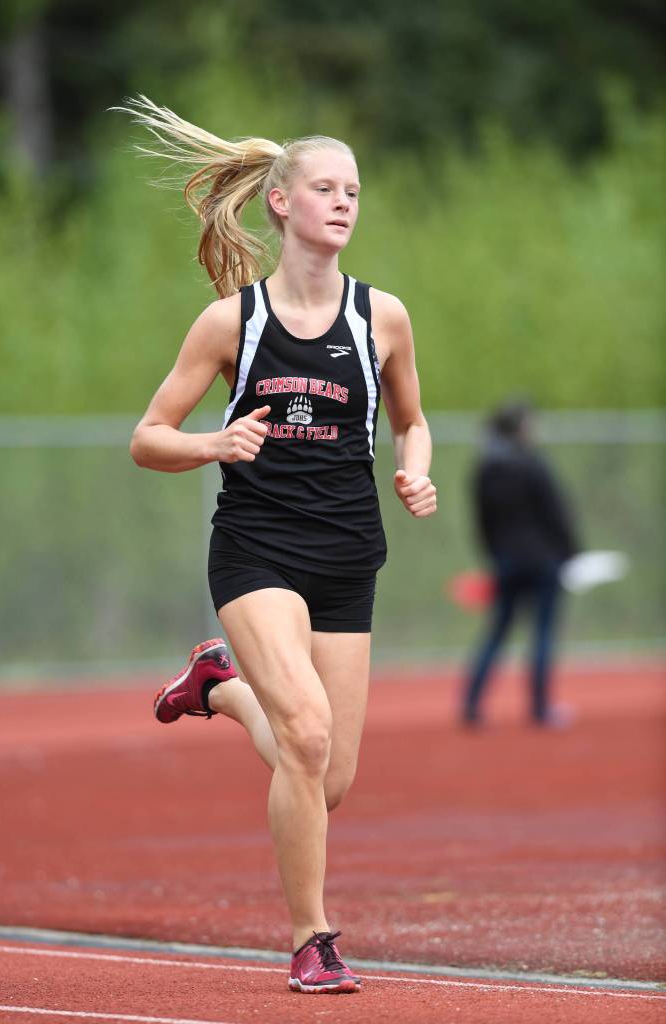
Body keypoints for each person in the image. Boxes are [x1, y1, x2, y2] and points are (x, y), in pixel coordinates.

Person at [114, 95, 437, 994]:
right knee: (302, 729)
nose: (343, 202)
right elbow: (148, 436)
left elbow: (413, 423)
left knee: (325, 779)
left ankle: (217, 685)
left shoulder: (384, 319)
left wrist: (415, 469)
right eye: (325, 188)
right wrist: (214, 443)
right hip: (256, 551)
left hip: (348, 558)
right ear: (283, 202)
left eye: (354, 191)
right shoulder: (232, 323)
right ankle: (312, 938)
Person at [462, 400, 579, 727]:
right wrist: (571, 553)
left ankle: (471, 705)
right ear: (521, 428)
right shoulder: (532, 464)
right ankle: (541, 709)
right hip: (543, 560)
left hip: (507, 561)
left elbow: (482, 520)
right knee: (542, 632)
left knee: (497, 632)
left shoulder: (485, 468)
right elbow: (556, 512)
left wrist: (494, 556)